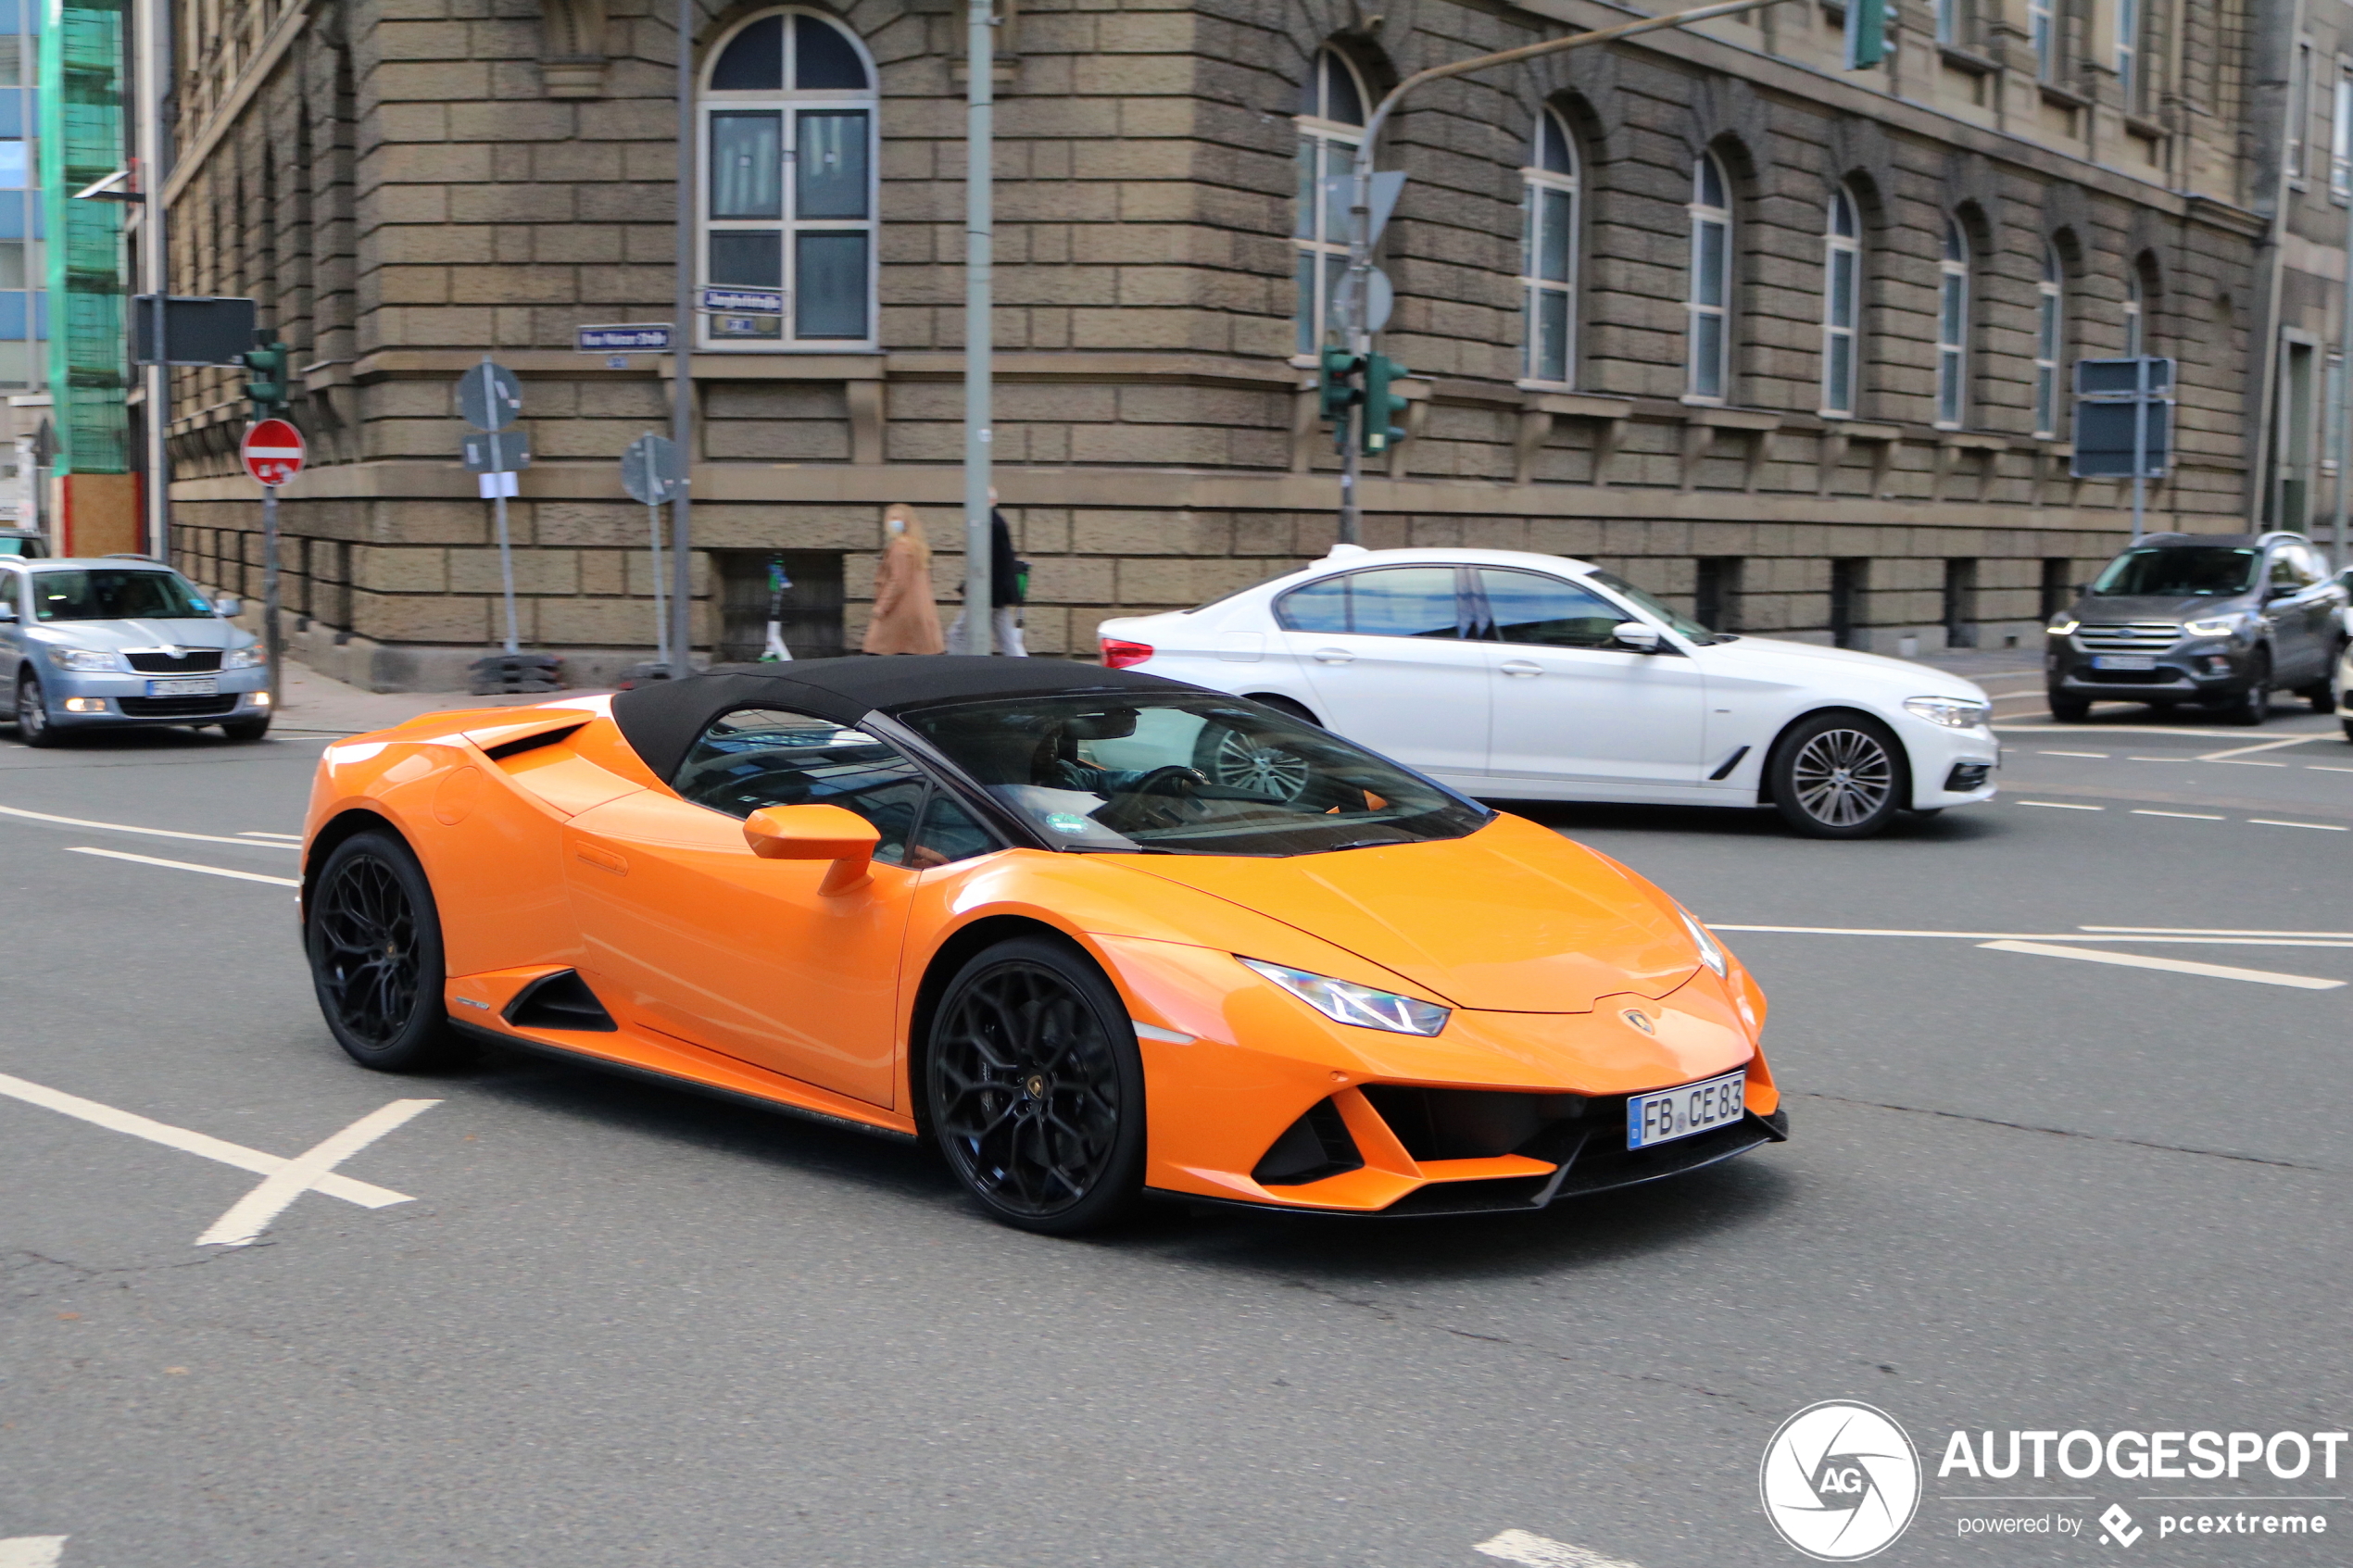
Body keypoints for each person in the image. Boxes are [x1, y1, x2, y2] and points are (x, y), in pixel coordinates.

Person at [947, 488, 1027, 656]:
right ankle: (1026, 671)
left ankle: (956, 672)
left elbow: (987, 561)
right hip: (996, 594)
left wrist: (974, 586)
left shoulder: (988, 524)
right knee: (1008, 641)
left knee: (957, 634)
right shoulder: (996, 521)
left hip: (987, 594)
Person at [861, 504, 946, 656]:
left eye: (896, 518)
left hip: (899, 615)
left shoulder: (900, 547)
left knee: (878, 655)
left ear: (906, 522)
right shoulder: (915, 546)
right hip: (915, 613)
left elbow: (898, 581)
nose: (891, 522)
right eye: (890, 518)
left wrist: (882, 607)